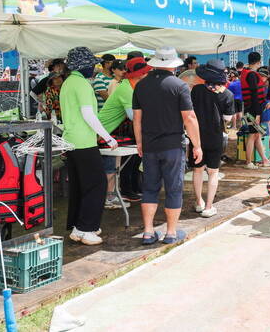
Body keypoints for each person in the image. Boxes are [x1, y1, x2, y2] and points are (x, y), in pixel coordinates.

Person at [133, 47, 202, 245]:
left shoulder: (141, 85)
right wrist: (197, 145)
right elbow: (189, 118)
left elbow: (137, 119)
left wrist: (139, 142)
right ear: (173, 65)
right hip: (172, 145)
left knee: (149, 188)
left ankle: (147, 232)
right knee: (173, 189)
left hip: (149, 145)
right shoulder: (180, 86)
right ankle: (170, 233)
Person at [60, 47, 117, 246]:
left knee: (80, 186)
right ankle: (86, 229)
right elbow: (88, 114)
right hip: (84, 141)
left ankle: (79, 226)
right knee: (97, 185)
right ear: (83, 66)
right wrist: (107, 138)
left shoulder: (68, 83)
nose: (94, 67)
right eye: (91, 64)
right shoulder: (82, 84)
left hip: (71, 141)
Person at [98, 57, 152, 204]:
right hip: (103, 131)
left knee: (132, 158)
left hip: (111, 130)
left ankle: (127, 191)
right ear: (139, 74)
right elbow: (133, 116)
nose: (148, 74)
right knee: (112, 165)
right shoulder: (126, 89)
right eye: (146, 72)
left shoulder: (133, 87)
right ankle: (111, 196)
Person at [189, 59, 235, 218]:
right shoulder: (227, 94)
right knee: (213, 172)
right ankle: (209, 206)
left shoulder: (196, 90)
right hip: (215, 137)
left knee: (197, 170)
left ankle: (199, 202)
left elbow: (190, 112)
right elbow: (228, 119)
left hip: (196, 137)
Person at [240, 52, 270, 169]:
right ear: (258, 62)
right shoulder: (252, 75)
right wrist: (258, 114)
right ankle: (248, 162)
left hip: (249, 108)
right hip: (253, 110)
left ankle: (265, 159)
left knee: (257, 135)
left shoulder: (245, 72)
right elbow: (254, 96)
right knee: (252, 135)